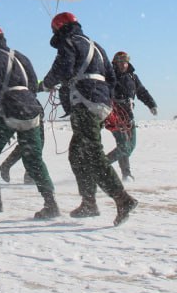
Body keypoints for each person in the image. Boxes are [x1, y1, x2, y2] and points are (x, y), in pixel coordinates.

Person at [38, 12, 137, 225]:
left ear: (58, 28)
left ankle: (122, 198)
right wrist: (102, 96)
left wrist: (45, 85)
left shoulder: (69, 42)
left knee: (92, 153)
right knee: (77, 154)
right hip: (101, 104)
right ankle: (89, 203)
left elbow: (62, 67)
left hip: (85, 103)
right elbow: (111, 78)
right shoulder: (96, 46)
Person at [0, 25, 59, 219]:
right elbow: (32, 84)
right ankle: (51, 203)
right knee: (34, 159)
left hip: (8, 109)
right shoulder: (21, 56)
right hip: (31, 110)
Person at [103, 51, 158, 181]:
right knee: (123, 146)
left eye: (125, 62)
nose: (123, 65)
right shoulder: (109, 77)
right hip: (114, 115)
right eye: (120, 62)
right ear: (115, 63)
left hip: (128, 116)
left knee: (130, 147)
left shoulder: (133, 77)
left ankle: (124, 174)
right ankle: (102, 168)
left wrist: (151, 105)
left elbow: (142, 92)